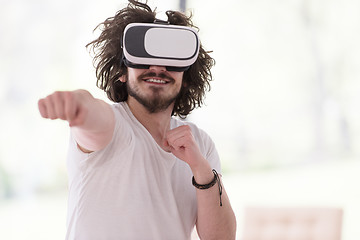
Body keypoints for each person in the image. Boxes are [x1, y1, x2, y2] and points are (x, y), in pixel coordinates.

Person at [38, 0, 236, 239]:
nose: (158, 67)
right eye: (143, 57)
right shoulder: (113, 125)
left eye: (171, 59)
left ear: (186, 76)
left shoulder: (201, 144)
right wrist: (78, 105)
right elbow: (92, 114)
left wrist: (201, 168)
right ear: (122, 71)